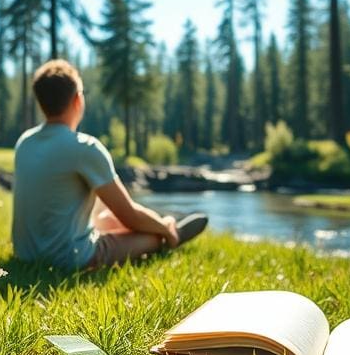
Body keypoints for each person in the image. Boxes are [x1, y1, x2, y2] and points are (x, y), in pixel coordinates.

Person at [11, 59, 207, 269]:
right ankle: (171, 233)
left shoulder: (25, 143)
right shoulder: (84, 148)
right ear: (78, 100)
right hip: (69, 258)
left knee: (106, 217)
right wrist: (164, 228)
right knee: (151, 238)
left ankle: (164, 227)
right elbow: (129, 215)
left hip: (25, 254)